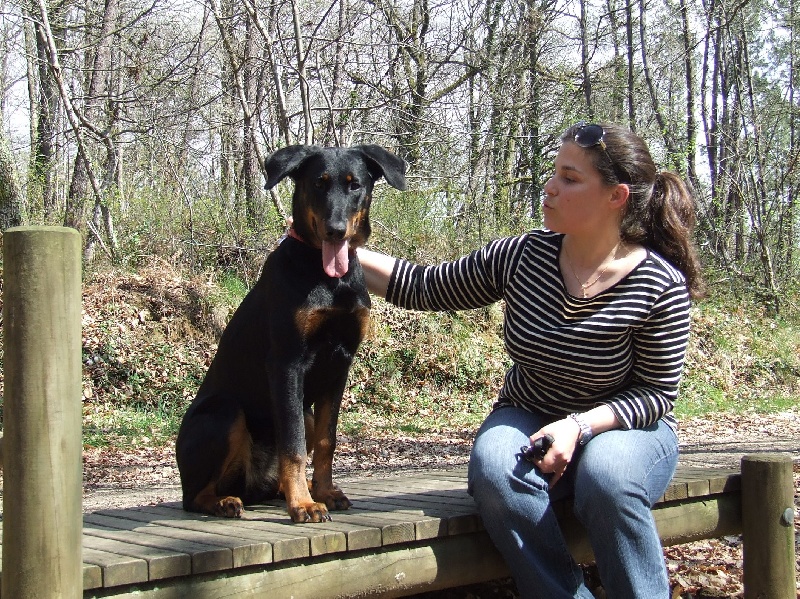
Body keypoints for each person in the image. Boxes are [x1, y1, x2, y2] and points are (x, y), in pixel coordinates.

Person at [356, 121, 704, 598]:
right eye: (554, 173)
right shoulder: (523, 254)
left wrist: (579, 427)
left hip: (625, 430)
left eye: (569, 178)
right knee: (496, 468)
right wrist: (334, 248)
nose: (550, 187)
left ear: (616, 197)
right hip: (530, 410)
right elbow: (426, 284)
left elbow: (657, 393)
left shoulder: (659, 282)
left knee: (608, 478)